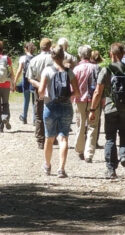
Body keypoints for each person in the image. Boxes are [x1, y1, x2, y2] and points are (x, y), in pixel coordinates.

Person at [88, 42, 125, 179]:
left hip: (110, 108)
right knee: (124, 134)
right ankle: (124, 157)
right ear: (122, 54)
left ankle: (111, 169)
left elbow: (98, 92)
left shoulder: (106, 70)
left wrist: (92, 109)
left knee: (110, 138)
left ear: (111, 54)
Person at [38, 44, 79, 177]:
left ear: (52, 56)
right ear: (63, 56)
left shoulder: (47, 71)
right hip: (66, 107)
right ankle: (61, 169)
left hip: (50, 106)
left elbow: (41, 91)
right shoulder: (69, 72)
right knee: (63, 138)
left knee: (49, 138)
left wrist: (43, 96)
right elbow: (77, 92)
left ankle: (47, 166)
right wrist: (68, 96)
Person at [71, 45, 99, 161]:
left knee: (80, 125)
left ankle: (80, 150)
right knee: (93, 126)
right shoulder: (96, 68)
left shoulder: (76, 69)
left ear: (79, 55)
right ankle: (89, 153)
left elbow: (72, 86)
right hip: (93, 100)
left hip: (79, 100)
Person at [27, 37, 54, 148]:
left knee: (39, 115)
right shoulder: (54, 59)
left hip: (38, 90)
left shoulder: (34, 60)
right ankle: (52, 137)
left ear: (40, 46)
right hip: (53, 89)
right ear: (49, 46)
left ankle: (40, 140)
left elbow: (29, 78)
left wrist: (39, 85)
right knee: (52, 114)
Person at [15, 41, 36, 125]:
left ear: (25, 49)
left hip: (26, 80)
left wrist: (15, 80)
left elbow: (19, 70)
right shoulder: (36, 57)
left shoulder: (23, 58)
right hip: (34, 80)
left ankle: (24, 117)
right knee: (35, 101)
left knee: (26, 100)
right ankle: (35, 119)